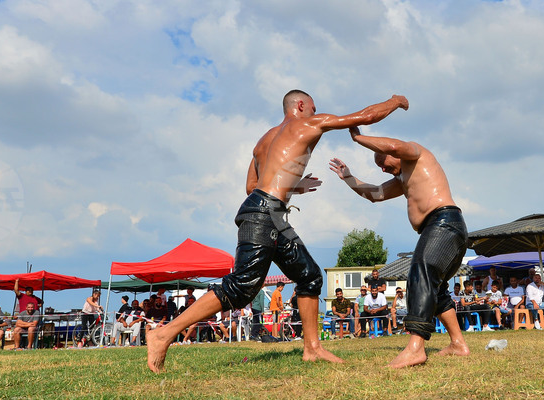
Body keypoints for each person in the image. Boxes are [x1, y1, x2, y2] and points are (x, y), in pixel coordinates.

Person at [145, 91, 412, 372]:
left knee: (309, 276)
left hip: (268, 211)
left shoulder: (264, 140)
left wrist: (292, 187)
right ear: (300, 106)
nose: (317, 112)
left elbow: (252, 186)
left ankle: (313, 348)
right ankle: (164, 334)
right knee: (242, 286)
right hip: (264, 214)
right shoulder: (308, 124)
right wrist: (396, 101)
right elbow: (365, 117)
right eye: (313, 107)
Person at [328, 125, 470, 369]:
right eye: (379, 167)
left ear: (395, 153)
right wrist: (349, 178)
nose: (383, 168)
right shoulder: (403, 178)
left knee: (420, 272)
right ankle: (458, 344)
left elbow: (393, 146)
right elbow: (375, 194)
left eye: (383, 162)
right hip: (440, 228)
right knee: (436, 288)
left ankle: (416, 347)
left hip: (444, 222)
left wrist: (358, 138)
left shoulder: (417, 153)